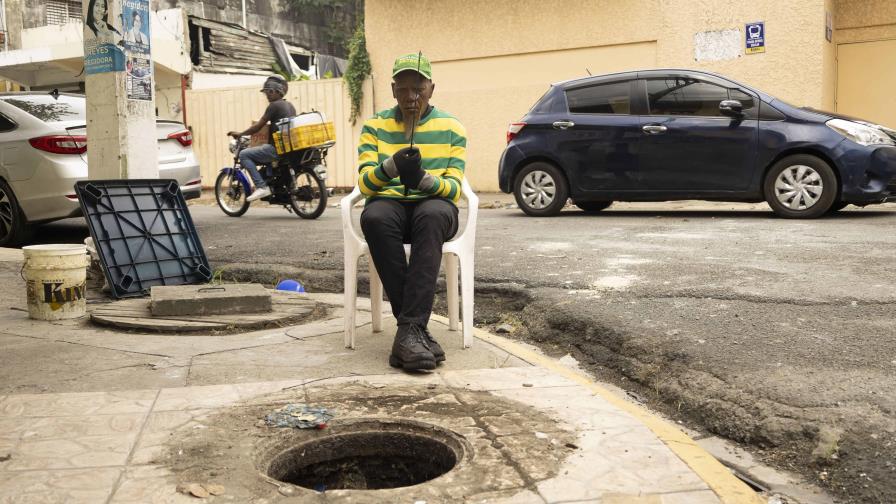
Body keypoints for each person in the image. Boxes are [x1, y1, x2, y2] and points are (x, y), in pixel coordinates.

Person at [356, 53, 467, 371]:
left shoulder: (452, 128)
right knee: (374, 218)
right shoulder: (374, 126)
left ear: (431, 88)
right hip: (388, 205)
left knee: (431, 216)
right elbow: (365, 186)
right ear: (393, 90)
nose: (411, 97)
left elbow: (453, 190)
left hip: (433, 207)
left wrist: (422, 180)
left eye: (418, 89)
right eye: (403, 89)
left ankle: (408, 333)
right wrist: (391, 167)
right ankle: (414, 332)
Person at [227, 75, 296, 202]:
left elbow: (258, 126)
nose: (267, 95)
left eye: (269, 92)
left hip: (276, 149)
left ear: (276, 91)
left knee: (244, 154)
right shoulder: (290, 106)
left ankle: (261, 186)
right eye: (266, 93)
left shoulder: (274, 106)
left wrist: (241, 134)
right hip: (289, 148)